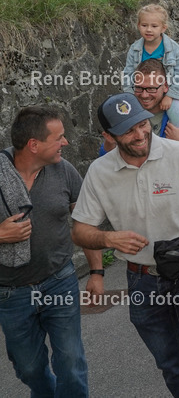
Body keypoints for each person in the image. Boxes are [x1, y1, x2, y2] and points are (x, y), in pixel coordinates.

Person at [72, 93, 179, 397]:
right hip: (141, 280)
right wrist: (108, 238)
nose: (139, 134)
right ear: (108, 136)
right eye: (128, 130)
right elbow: (80, 230)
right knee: (172, 365)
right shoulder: (99, 171)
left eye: (142, 124)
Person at [0, 106, 100, 398]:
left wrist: (96, 272)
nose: (65, 142)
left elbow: (85, 223)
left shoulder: (64, 170)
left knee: (71, 362)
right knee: (29, 368)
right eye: (59, 138)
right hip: (10, 292)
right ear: (34, 145)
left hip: (60, 281)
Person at [101, 59, 179, 163]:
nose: (144, 95)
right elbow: (104, 159)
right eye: (139, 88)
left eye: (151, 89)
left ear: (165, 86)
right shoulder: (128, 111)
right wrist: (111, 140)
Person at [122, 3, 179, 127]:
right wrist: (130, 95)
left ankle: (178, 135)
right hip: (143, 91)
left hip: (173, 90)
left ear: (163, 28)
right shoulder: (134, 49)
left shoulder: (175, 50)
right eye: (144, 25)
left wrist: (170, 96)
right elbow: (128, 73)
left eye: (154, 26)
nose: (148, 29)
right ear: (138, 25)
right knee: (125, 112)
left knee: (176, 112)